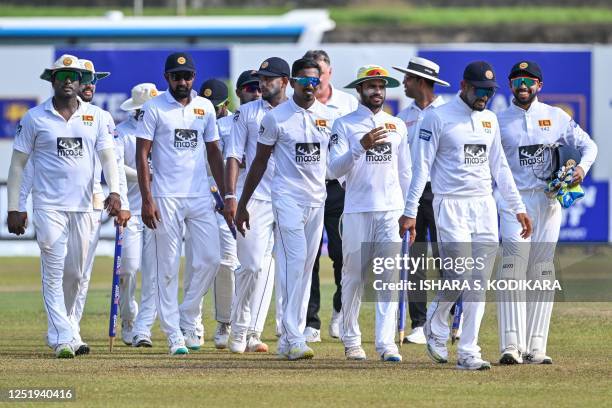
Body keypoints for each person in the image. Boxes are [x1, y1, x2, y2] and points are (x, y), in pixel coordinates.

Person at [399, 61, 532, 370]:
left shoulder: (489, 120)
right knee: (457, 275)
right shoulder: (437, 117)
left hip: (484, 205)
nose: (484, 96)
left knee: (478, 282)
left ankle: (469, 350)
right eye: (480, 90)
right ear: (464, 86)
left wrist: (518, 208)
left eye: (489, 91)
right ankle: (435, 323)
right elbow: (421, 168)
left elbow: (500, 167)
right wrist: (409, 212)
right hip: (450, 204)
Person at [6, 54, 121, 358]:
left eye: (73, 76)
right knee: (54, 271)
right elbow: (18, 165)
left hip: (85, 208)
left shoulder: (95, 115)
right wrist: (14, 208)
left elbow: (109, 158)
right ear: (52, 80)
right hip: (49, 207)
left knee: (78, 275)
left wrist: (116, 192)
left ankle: (70, 328)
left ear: (81, 81)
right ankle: (61, 337)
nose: (68, 81)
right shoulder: (34, 118)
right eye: (61, 76)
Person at [234, 58, 336, 360]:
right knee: (293, 263)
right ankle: (293, 337)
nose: (309, 86)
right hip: (286, 198)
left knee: (305, 270)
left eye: (314, 81)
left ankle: (288, 338)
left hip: (317, 200)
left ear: (320, 83)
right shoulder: (276, 118)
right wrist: (242, 204)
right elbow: (259, 162)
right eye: (303, 80)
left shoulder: (330, 117)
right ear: (292, 83)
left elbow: (334, 165)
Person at [496, 61, 597, 365]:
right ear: (510, 86)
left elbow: (589, 146)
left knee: (542, 270)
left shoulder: (556, 117)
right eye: (516, 82)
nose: (523, 87)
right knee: (513, 267)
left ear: (539, 85)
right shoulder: (497, 120)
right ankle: (511, 345)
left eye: (528, 81)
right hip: (514, 203)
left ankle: (536, 347)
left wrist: (580, 169)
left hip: (548, 201)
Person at [136, 52, 225, 355]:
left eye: (187, 76)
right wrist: (147, 200)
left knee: (212, 258)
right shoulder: (153, 108)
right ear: (167, 78)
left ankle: (187, 311)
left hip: (200, 195)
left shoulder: (205, 107)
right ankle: (174, 334)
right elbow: (142, 155)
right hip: (165, 196)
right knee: (167, 268)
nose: (183, 81)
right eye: (177, 76)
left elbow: (214, 152)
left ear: (194, 78)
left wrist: (226, 196)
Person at [328, 64, 410, 362]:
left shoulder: (397, 125)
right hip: (357, 210)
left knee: (388, 278)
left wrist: (408, 214)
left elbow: (406, 173)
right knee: (353, 276)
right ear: (359, 89)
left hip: (390, 212)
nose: (377, 91)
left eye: (381, 86)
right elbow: (333, 169)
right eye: (371, 86)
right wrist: (359, 148)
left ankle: (386, 342)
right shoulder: (345, 124)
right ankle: (351, 339)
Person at [223, 58, 290, 354]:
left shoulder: (295, 112)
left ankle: (253, 333)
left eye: (269, 78)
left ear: (285, 81)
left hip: (290, 198)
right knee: (250, 264)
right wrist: (231, 196)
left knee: (272, 266)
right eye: (261, 79)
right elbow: (234, 156)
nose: (263, 84)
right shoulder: (246, 113)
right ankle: (238, 327)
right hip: (255, 198)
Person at [302, 49, 358, 342]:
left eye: (320, 74)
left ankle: (339, 310)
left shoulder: (347, 104)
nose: (316, 80)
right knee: (309, 256)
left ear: (330, 73)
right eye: (310, 75)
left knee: (340, 254)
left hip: (338, 188)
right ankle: (311, 321)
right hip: (307, 186)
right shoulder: (298, 101)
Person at [393, 56, 450, 345]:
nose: (403, 83)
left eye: (407, 78)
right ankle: (418, 323)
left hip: (440, 191)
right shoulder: (403, 118)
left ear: (420, 82)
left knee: (444, 257)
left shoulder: (448, 112)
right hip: (411, 194)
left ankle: (445, 320)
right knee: (414, 258)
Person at [191, 77, 238, 349]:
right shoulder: (196, 118)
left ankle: (225, 321)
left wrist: (227, 195)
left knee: (227, 262)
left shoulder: (234, 124)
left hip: (226, 200)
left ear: (226, 105)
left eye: (216, 106)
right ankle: (194, 323)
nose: (211, 110)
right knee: (199, 262)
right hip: (199, 197)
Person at [116, 83, 162, 348]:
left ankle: (143, 325)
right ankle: (128, 318)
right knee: (129, 268)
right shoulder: (122, 133)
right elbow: (116, 166)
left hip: (159, 210)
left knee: (155, 270)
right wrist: (147, 175)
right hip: (131, 210)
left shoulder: (163, 128)